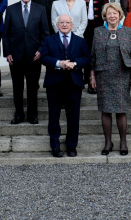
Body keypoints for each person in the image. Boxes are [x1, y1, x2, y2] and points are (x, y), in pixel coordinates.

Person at [89, 3, 131, 155]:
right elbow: (92, 57)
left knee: (121, 111)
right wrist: (92, 76)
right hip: (103, 75)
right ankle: (107, 142)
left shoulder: (128, 32)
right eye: (109, 13)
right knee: (105, 110)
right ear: (105, 15)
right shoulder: (98, 32)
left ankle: (123, 143)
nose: (112, 16)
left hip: (122, 75)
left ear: (120, 15)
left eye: (115, 13)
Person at [39, 15, 90, 157]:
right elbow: (44, 58)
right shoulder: (49, 40)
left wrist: (74, 64)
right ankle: (55, 145)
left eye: (67, 22)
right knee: (54, 116)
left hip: (74, 83)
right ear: (57, 25)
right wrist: (58, 63)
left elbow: (86, 58)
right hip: (54, 83)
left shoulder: (80, 41)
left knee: (73, 116)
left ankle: (71, 145)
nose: (65, 24)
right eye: (61, 22)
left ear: (72, 25)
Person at [3, 0, 50, 124]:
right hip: (15, 56)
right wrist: (7, 53)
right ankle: (18, 114)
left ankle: (32, 115)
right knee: (17, 87)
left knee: (32, 86)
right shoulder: (11, 9)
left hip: (34, 56)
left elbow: (45, 34)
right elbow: (6, 34)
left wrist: (41, 50)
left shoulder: (40, 9)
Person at [77, 0, 109, 94]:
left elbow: (106, 11)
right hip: (84, 28)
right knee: (84, 52)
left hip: (98, 27)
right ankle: (85, 80)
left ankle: (94, 80)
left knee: (96, 53)